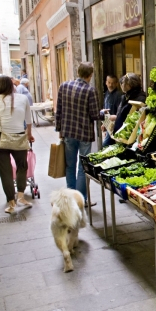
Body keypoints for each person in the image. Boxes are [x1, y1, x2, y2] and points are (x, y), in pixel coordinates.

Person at [55, 62, 99, 206]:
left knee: (70, 166)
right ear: (90, 75)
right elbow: (94, 114)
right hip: (84, 134)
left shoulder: (64, 86)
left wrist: (59, 129)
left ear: (78, 72)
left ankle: (70, 200)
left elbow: (59, 110)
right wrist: (104, 115)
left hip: (68, 132)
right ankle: (81, 200)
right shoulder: (90, 90)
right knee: (82, 167)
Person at [0, 76, 34, 213]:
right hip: (19, 136)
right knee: (22, 166)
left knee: (5, 171)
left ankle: (11, 204)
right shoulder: (23, 98)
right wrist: (29, 135)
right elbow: (28, 120)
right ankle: (21, 196)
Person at [101, 74, 123, 146]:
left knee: (105, 145)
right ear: (106, 82)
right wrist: (104, 123)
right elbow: (105, 110)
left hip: (115, 126)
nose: (110, 85)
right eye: (109, 82)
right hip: (108, 125)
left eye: (113, 83)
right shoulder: (106, 94)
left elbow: (120, 113)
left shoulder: (119, 95)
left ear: (116, 84)